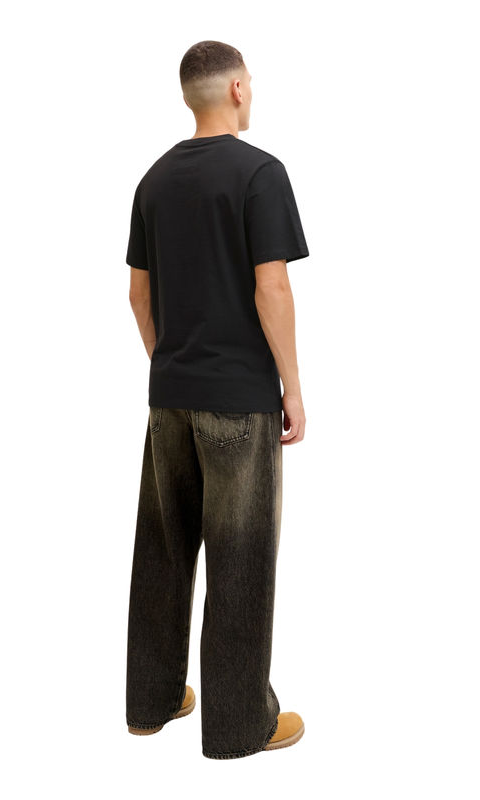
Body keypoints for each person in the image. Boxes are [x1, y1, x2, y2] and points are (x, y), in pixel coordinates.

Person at [124, 39, 309, 760]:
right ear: (234, 89)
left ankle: (152, 702)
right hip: (239, 398)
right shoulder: (260, 173)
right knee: (241, 558)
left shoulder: (153, 180)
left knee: (162, 549)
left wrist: (170, 364)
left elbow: (138, 295)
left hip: (169, 396)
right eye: (250, 82)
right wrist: (292, 386)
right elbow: (273, 287)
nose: (252, 92)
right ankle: (239, 725)